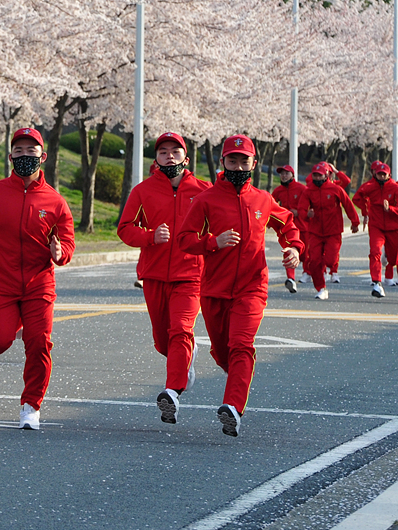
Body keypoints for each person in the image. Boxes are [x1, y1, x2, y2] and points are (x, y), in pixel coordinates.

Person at [177, 135, 301, 437]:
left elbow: (287, 224)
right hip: (214, 290)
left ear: (253, 164)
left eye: (244, 161)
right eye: (232, 160)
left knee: (241, 345)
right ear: (223, 162)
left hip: (252, 287)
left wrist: (294, 248)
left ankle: (232, 407)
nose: (238, 166)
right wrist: (212, 242)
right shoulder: (206, 199)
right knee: (222, 352)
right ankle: (237, 382)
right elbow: (184, 239)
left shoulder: (262, 199)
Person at [0, 127, 76, 431]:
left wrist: (59, 252)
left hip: (39, 284)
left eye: (31, 151)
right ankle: (16, 321)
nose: (25, 156)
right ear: (11, 155)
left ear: (44, 156)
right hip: (1, 282)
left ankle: (31, 405)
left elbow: (68, 245)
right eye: (19, 151)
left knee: (39, 344)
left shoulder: (56, 202)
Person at [117, 131, 211, 425]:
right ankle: (187, 357)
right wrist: (150, 236)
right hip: (155, 275)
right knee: (163, 342)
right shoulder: (143, 191)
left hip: (191, 275)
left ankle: (172, 391)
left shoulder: (205, 191)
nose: (169, 156)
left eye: (175, 151)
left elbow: (215, 230)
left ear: (186, 157)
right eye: (163, 152)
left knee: (180, 329)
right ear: (155, 158)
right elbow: (124, 228)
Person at [302, 162, 359, 300]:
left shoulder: (336, 189)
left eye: (319, 175)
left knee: (331, 259)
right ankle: (321, 288)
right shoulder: (308, 190)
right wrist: (307, 214)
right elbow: (302, 209)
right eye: (314, 175)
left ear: (326, 175)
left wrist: (355, 222)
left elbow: (348, 205)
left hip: (333, 230)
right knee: (314, 261)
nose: (316, 178)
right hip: (315, 231)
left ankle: (327, 269)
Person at [352, 162, 398, 298]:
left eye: (384, 174)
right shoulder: (369, 186)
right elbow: (356, 198)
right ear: (375, 174)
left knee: (393, 259)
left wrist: (390, 209)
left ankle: (388, 258)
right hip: (376, 225)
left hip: (394, 227)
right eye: (379, 174)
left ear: (389, 175)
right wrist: (365, 209)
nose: (381, 176)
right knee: (375, 251)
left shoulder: (396, 188)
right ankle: (377, 282)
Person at [270, 165, 306, 293]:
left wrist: (300, 212)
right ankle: (290, 278)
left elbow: (310, 204)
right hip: (286, 226)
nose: (284, 176)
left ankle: (308, 272)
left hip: (303, 226)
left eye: (287, 173)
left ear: (293, 175)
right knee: (288, 250)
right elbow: (270, 206)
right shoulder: (278, 190)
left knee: (307, 254)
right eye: (282, 174)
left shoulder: (301, 189)